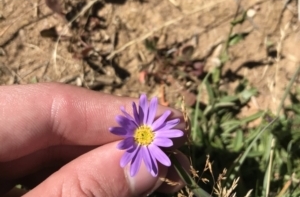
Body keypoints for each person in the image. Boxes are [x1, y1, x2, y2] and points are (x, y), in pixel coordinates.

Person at [0, 83, 189, 197]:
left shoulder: (148, 135)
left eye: (146, 135)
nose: (144, 135)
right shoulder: (133, 136)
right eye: (142, 134)